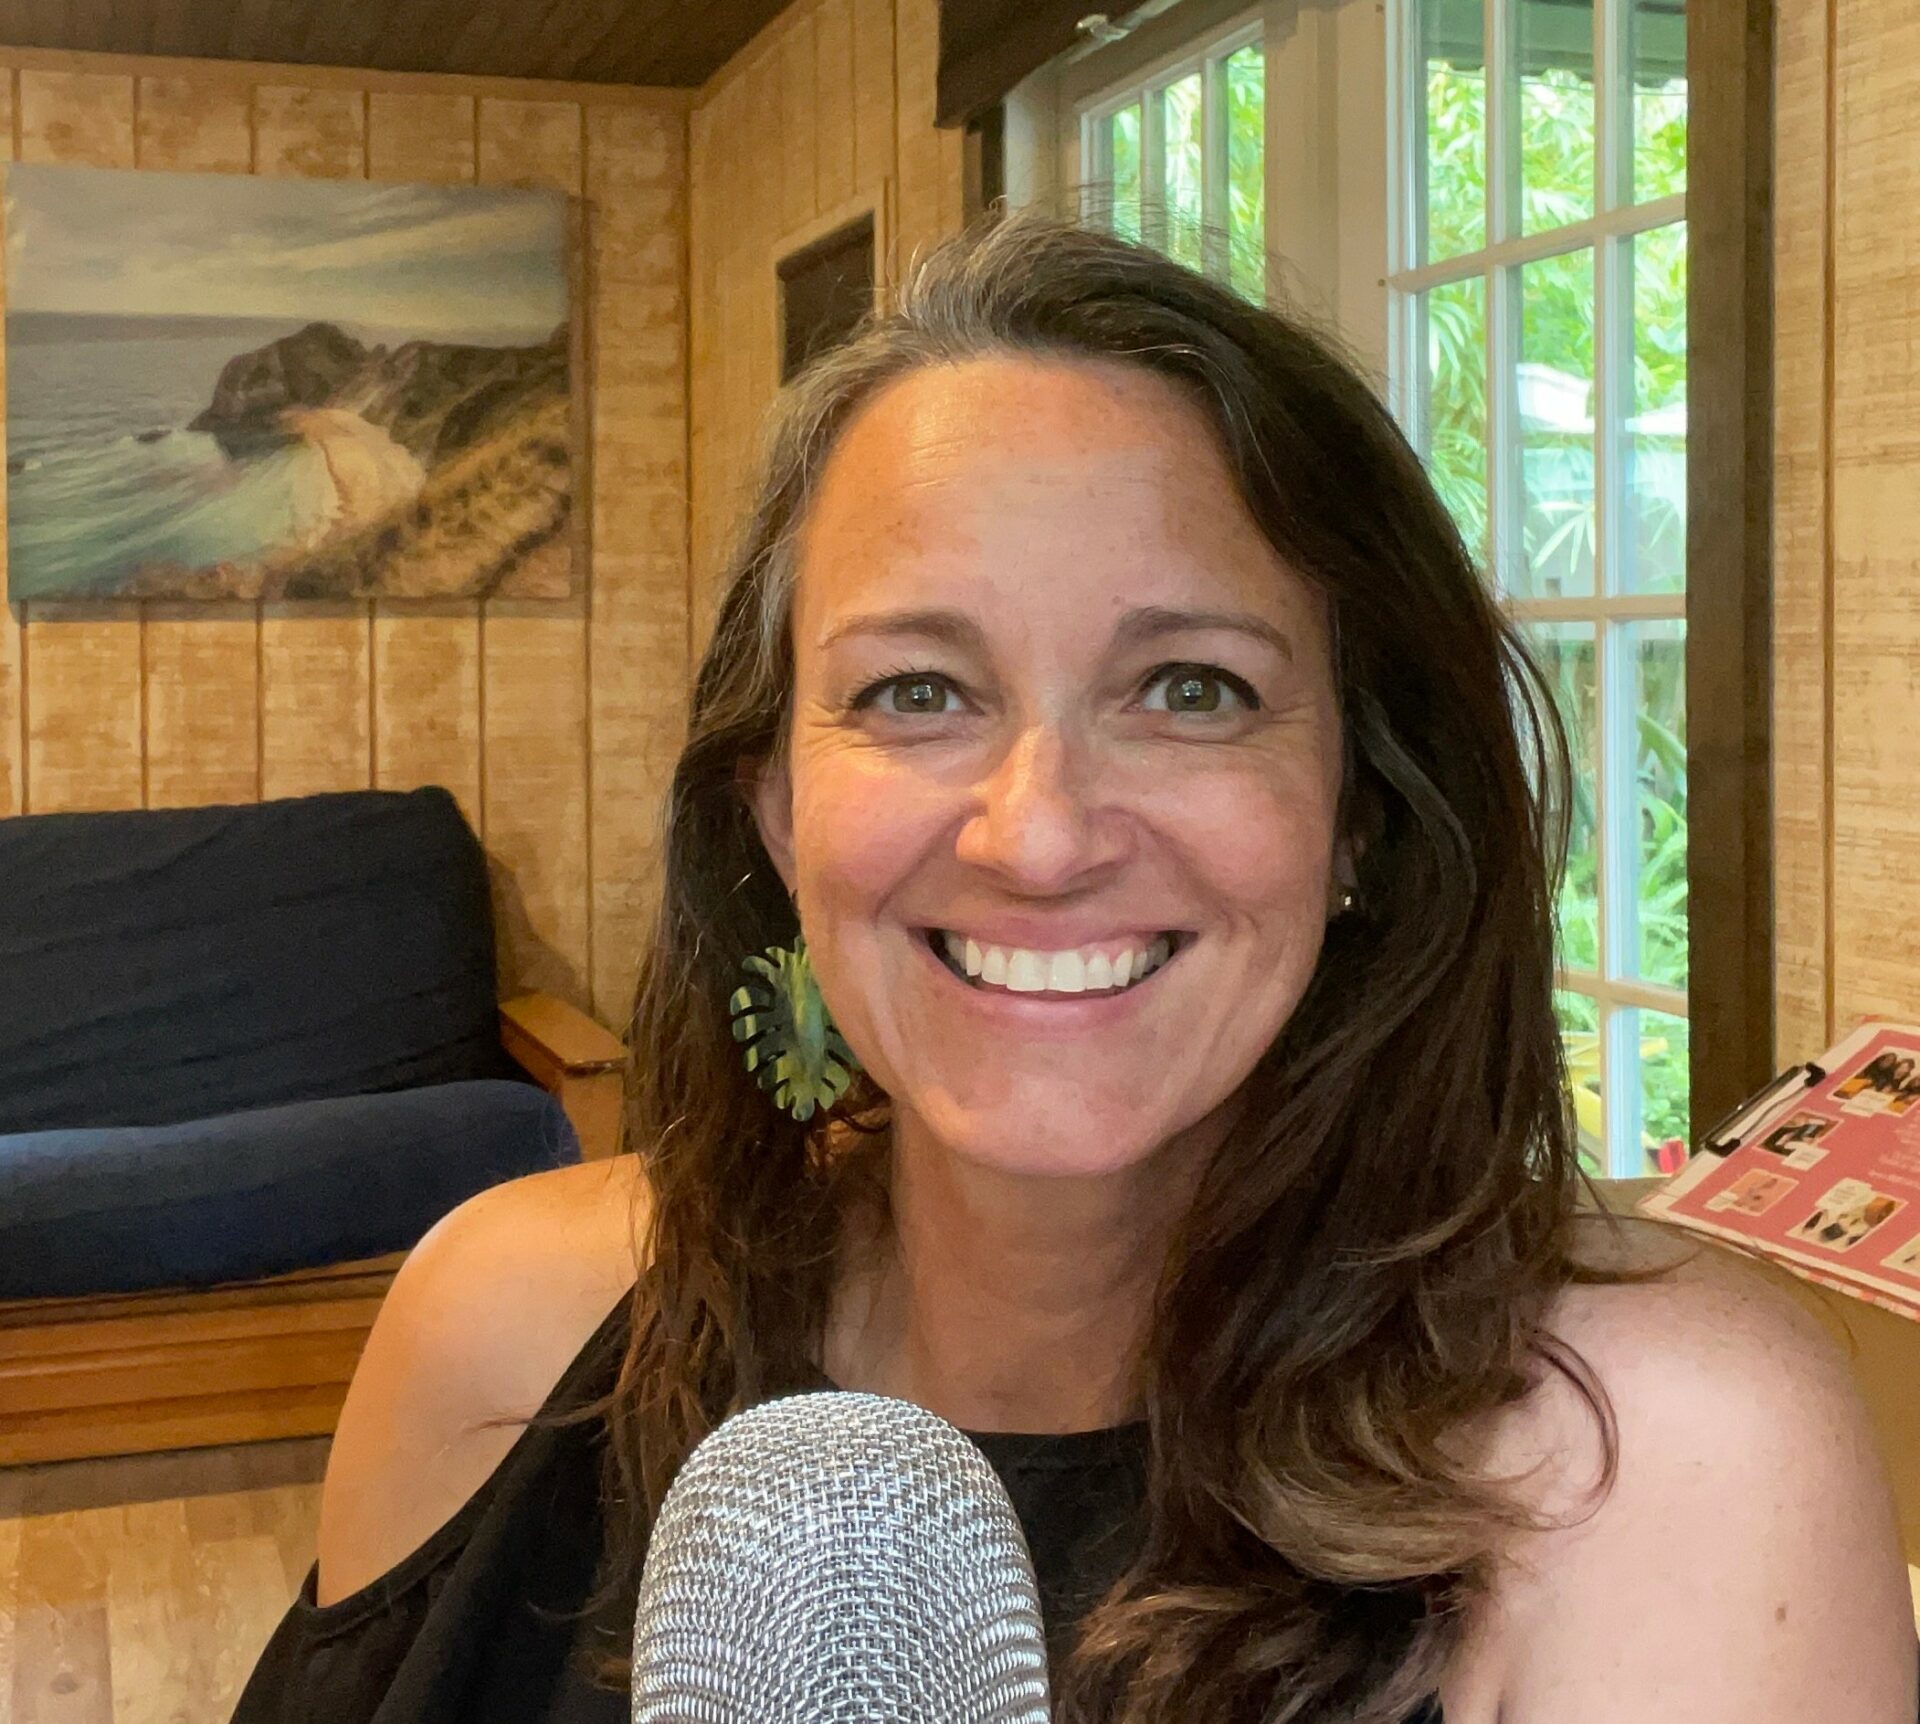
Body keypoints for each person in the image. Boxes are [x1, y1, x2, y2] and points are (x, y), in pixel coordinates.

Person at [233, 215, 1916, 1723]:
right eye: (916, 691)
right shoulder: (501, 1336)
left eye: (1190, 689)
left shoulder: (1661, 1465)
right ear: (778, 809)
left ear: (1359, 811)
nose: (1038, 837)